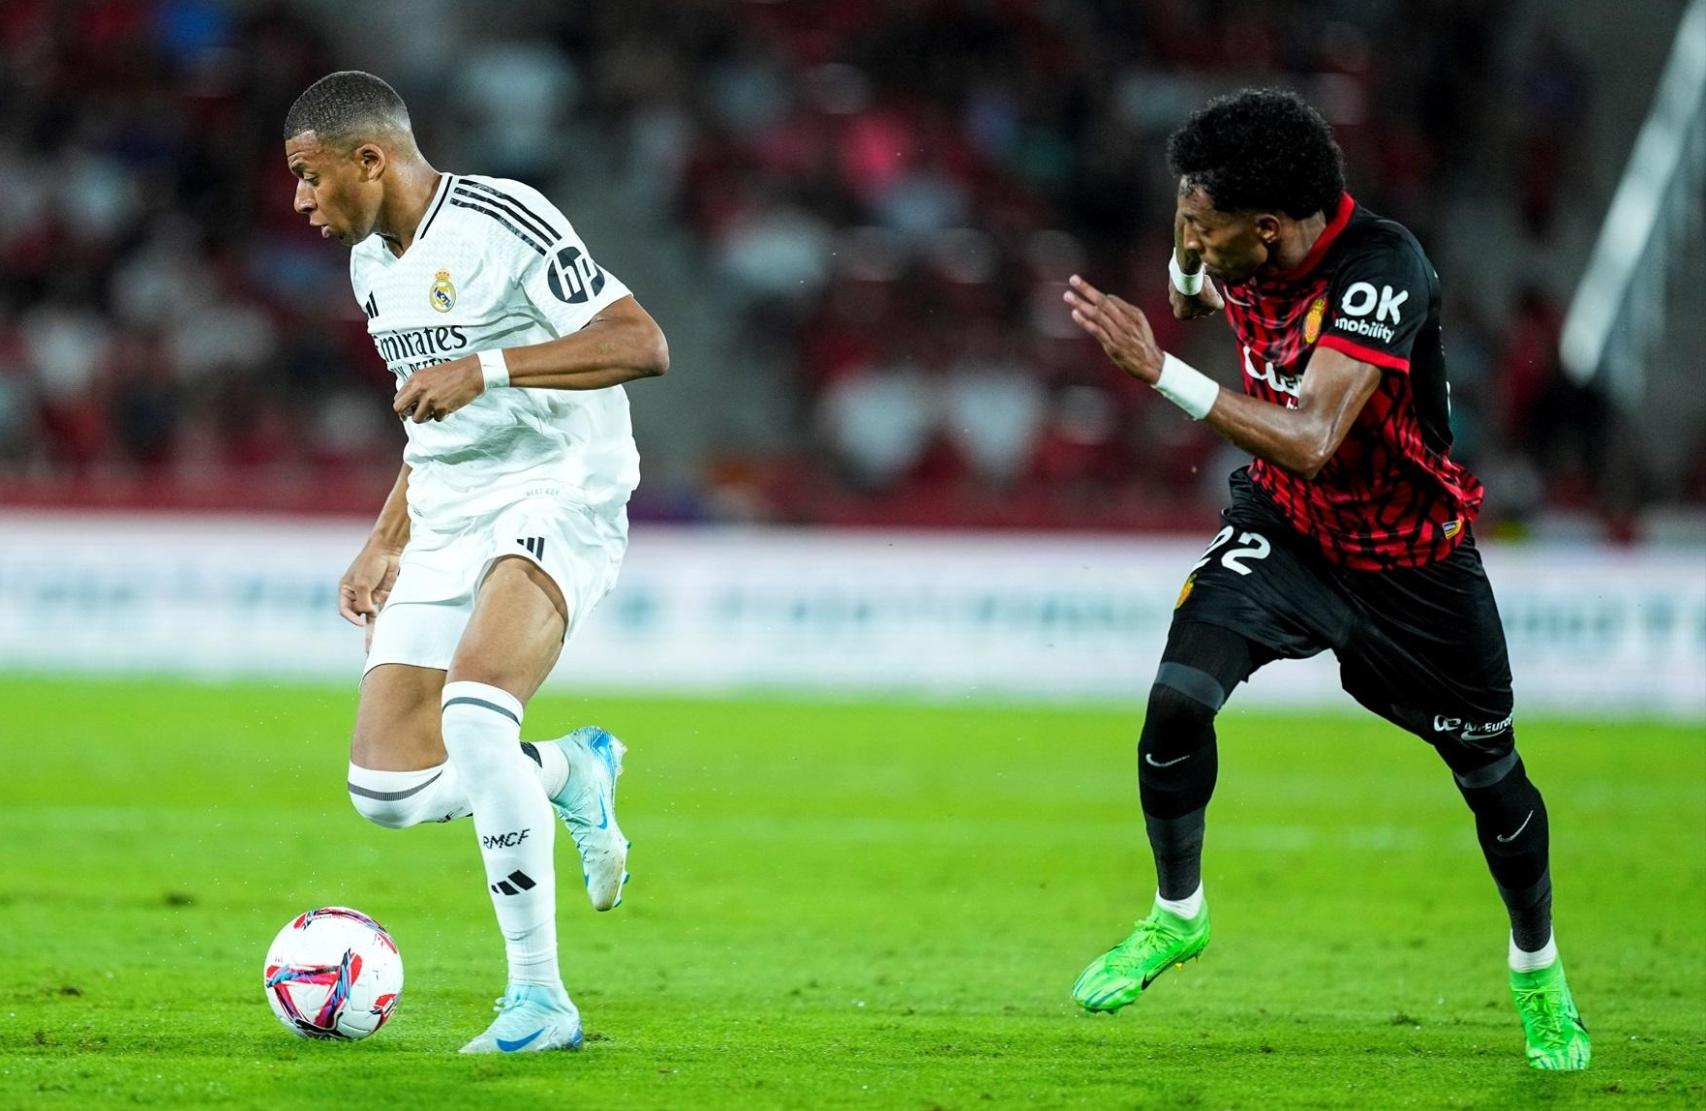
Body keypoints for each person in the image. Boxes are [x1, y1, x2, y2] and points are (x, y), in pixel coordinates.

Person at [1062, 89, 1588, 1071]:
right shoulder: (1235, 243)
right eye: (1185, 214)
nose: (1189, 233)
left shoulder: (1379, 271)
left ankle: (1537, 970)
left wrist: (1159, 369)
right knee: (1177, 700)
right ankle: (1176, 914)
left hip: (1410, 563)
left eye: (1203, 224)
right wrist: (1184, 265)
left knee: (1491, 780)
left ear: (1266, 227)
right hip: (1288, 531)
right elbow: (1192, 279)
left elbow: (1310, 438)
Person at [283, 70, 670, 1054]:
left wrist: (488, 366)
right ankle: (570, 768)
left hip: (560, 485)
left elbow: (640, 342)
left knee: (474, 713)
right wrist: (387, 536)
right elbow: (434, 425)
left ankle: (540, 999)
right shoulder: (371, 268)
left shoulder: (502, 219)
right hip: (450, 508)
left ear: (370, 159)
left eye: (310, 175)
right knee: (386, 791)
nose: (300, 200)